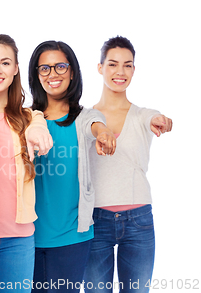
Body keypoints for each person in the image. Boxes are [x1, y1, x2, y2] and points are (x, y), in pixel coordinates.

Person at [83, 36, 172, 293]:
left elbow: (156, 118)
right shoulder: (86, 118)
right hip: (95, 220)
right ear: (100, 68)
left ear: (134, 69)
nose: (120, 72)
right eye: (112, 64)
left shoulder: (143, 115)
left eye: (127, 65)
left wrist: (163, 120)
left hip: (139, 221)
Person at [27, 41, 116, 293]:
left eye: (60, 66)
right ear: (36, 75)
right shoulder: (26, 118)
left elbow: (96, 124)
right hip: (25, 238)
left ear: (72, 72)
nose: (52, 74)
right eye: (44, 68)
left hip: (72, 238)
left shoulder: (83, 117)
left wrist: (103, 133)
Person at [0, 34, 52, 293]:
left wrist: (38, 129)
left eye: (5, 63)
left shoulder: (28, 117)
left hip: (17, 238)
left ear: (16, 68)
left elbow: (39, 120)